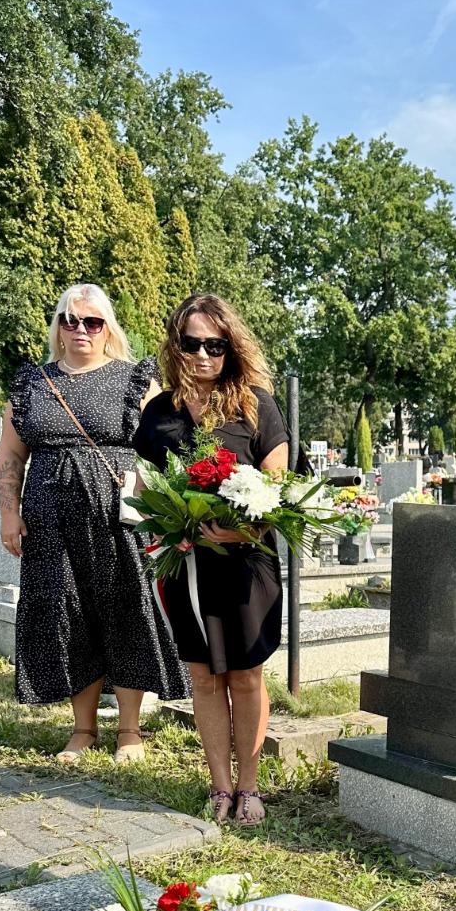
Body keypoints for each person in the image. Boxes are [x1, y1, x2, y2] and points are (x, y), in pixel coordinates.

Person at [0, 284, 188, 760]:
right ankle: (83, 729)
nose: (80, 329)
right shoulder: (32, 385)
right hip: (49, 520)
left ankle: (129, 730)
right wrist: (8, 513)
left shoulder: (136, 380)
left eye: (92, 321)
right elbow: (10, 457)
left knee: (125, 610)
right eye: (70, 320)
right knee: (68, 613)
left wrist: (160, 504)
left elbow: (167, 449)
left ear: (107, 328)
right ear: (58, 328)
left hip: (117, 516)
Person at [134, 294, 291, 826]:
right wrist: (169, 527)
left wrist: (242, 527)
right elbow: (144, 489)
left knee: (245, 677)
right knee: (203, 678)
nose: (203, 355)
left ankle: (250, 787)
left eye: (215, 345)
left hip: (245, 563)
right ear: (175, 346)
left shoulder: (257, 405)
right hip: (187, 564)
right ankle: (220, 786)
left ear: (231, 347)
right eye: (191, 343)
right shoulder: (160, 413)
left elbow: (276, 487)